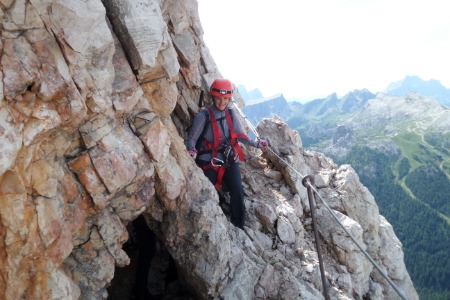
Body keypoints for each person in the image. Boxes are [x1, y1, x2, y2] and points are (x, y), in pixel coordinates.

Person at [187, 78, 268, 229]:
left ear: (229, 98)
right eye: (219, 98)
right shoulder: (203, 116)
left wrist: (256, 144)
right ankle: (213, 224)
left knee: (237, 189)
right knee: (209, 195)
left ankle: (239, 225)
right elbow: (192, 139)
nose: (222, 102)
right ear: (213, 97)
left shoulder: (230, 113)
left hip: (228, 159)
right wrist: (192, 151)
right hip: (209, 162)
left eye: (225, 98)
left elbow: (239, 135)